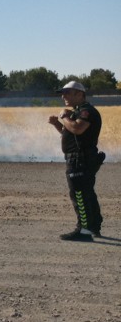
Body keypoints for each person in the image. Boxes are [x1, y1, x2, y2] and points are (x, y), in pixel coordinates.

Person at [48, 81, 104, 242]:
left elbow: (77, 129)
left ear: (80, 94)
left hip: (80, 159)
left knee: (79, 194)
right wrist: (57, 124)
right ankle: (93, 226)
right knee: (87, 193)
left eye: (67, 92)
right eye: (62, 93)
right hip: (81, 158)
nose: (63, 96)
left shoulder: (86, 111)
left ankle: (84, 230)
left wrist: (64, 116)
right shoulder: (77, 112)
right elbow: (70, 133)